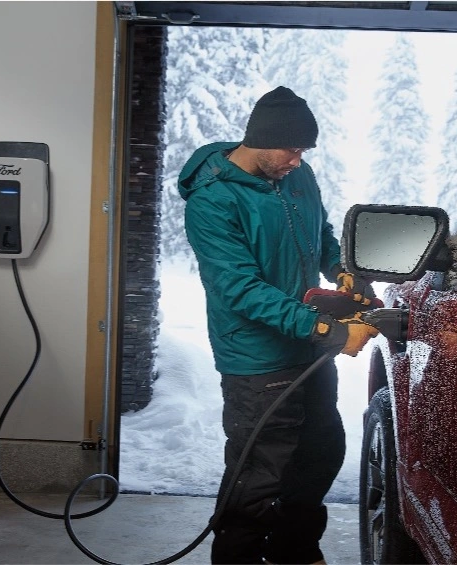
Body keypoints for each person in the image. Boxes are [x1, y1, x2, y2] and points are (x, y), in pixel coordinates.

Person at [178, 86, 379, 564]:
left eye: (304, 150)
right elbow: (241, 290)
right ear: (261, 139)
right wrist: (331, 332)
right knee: (258, 478)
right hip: (257, 361)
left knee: (320, 455)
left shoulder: (297, 176)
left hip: (308, 349)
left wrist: (342, 268)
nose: (298, 159)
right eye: (292, 148)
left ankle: (293, 551)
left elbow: (322, 235)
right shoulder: (211, 201)